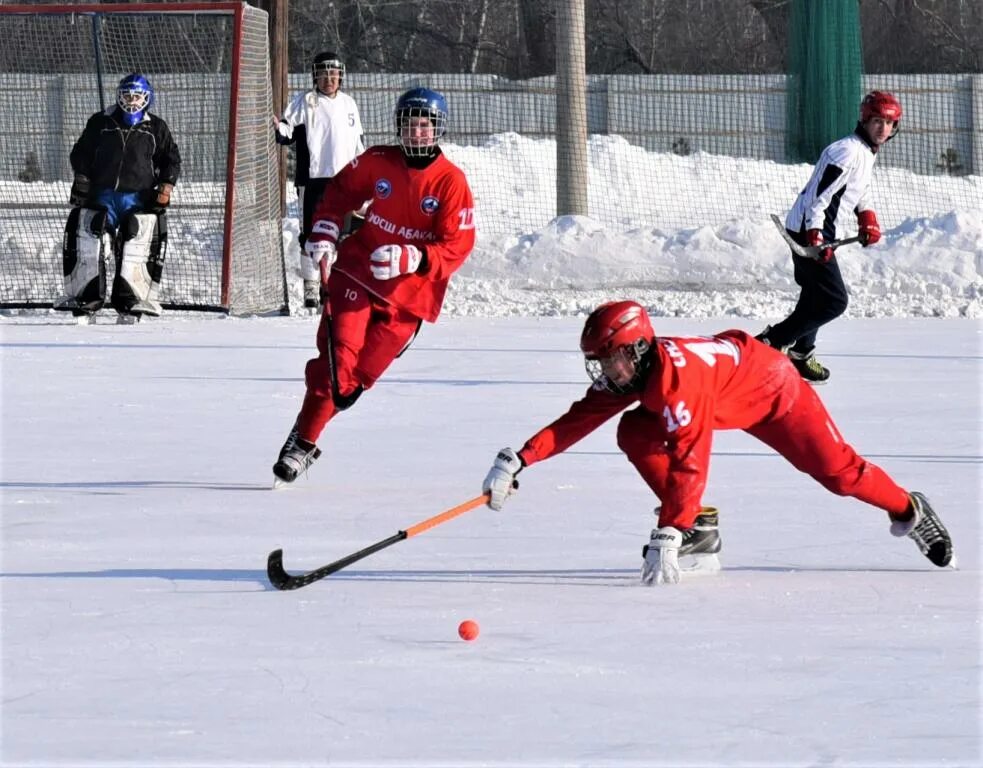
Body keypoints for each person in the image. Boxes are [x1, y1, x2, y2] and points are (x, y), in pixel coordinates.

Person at [481, 301, 954, 585]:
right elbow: (580, 419)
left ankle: (908, 508)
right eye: (601, 362)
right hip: (729, 390)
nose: (607, 371)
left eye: (612, 360)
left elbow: (691, 460)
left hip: (775, 393)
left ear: (638, 349)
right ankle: (699, 531)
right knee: (634, 430)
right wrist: (519, 458)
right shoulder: (636, 371)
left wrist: (668, 529)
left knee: (840, 473)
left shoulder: (677, 383)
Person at [272, 87, 476, 485]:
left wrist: (417, 258)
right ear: (398, 127)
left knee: (353, 383)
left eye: (424, 125)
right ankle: (304, 443)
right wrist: (326, 231)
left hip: (408, 300)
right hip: (356, 275)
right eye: (410, 124)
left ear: (438, 130)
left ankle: (305, 427)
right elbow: (339, 193)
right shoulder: (378, 160)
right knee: (337, 365)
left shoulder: (451, 182)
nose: (417, 133)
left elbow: (458, 244)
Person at [757, 91, 903, 383]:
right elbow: (818, 198)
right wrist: (815, 235)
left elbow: (859, 189)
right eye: (877, 121)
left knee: (815, 294)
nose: (882, 129)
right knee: (834, 301)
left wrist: (867, 216)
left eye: (889, 123)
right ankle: (771, 343)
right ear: (864, 120)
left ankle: (801, 353)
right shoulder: (847, 151)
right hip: (808, 230)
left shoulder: (865, 151)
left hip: (815, 228)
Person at [57, 73, 181, 319]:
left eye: (136, 96)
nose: (131, 101)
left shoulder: (156, 127)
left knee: (133, 247)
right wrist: (82, 177)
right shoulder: (101, 122)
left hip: (138, 199)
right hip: (103, 196)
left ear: (146, 98)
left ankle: (130, 302)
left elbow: (171, 159)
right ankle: (86, 299)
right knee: (94, 244)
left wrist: (166, 186)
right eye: (126, 95)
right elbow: (80, 152)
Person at [274, 51, 365, 309]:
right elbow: (286, 130)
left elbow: (358, 142)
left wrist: (363, 174)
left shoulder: (349, 104)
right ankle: (311, 288)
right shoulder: (305, 101)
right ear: (316, 76)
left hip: (345, 180)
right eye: (324, 74)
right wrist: (278, 128)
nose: (329, 79)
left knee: (345, 233)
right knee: (311, 234)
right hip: (313, 180)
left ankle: (338, 282)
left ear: (340, 76)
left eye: (334, 74)